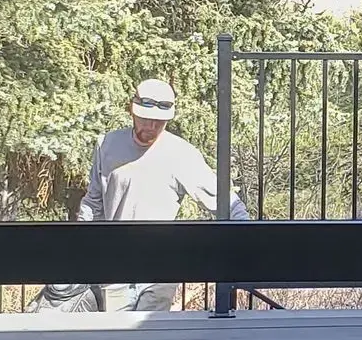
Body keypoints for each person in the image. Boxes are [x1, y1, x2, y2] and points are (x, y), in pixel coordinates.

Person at [30, 78, 249, 314]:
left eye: (159, 122)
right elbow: (94, 203)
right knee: (118, 339)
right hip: (115, 266)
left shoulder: (181, 154)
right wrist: (82, 244)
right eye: (146, 118)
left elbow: (220, 198)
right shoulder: (107, 145)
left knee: (150, 339)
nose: (152, 126)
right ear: (131, 111)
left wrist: (246, 235)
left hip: (159, 268)